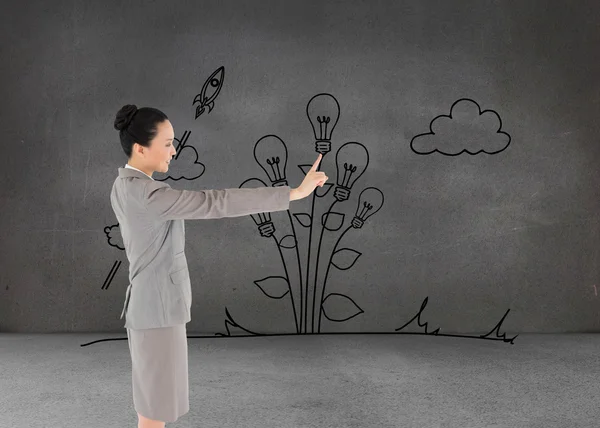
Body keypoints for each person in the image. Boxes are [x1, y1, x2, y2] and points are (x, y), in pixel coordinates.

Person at [110, 104, 328, 428]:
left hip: (151, 309)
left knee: (152, 407)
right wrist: (293, 194)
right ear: (141, 148)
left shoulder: (124, 185)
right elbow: (216, 202)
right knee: (155, 412)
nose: (174, 149)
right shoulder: (149, 194)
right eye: (167, 143)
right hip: (157, 312)